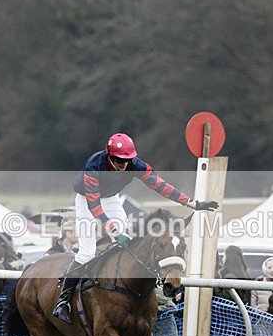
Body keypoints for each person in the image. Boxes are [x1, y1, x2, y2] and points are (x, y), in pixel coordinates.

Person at [52, 132, 218, 323]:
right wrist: (113, 231)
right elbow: (94, 205)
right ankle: (62, 302)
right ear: (109, 156)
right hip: (88, 201)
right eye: (118, 160)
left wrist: (191, 203)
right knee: (87, 253)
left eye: (127, 160)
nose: (123, 165)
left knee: (126, 243)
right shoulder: (94, 165)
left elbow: (160, 185)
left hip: (111, 199)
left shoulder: (136, 165)